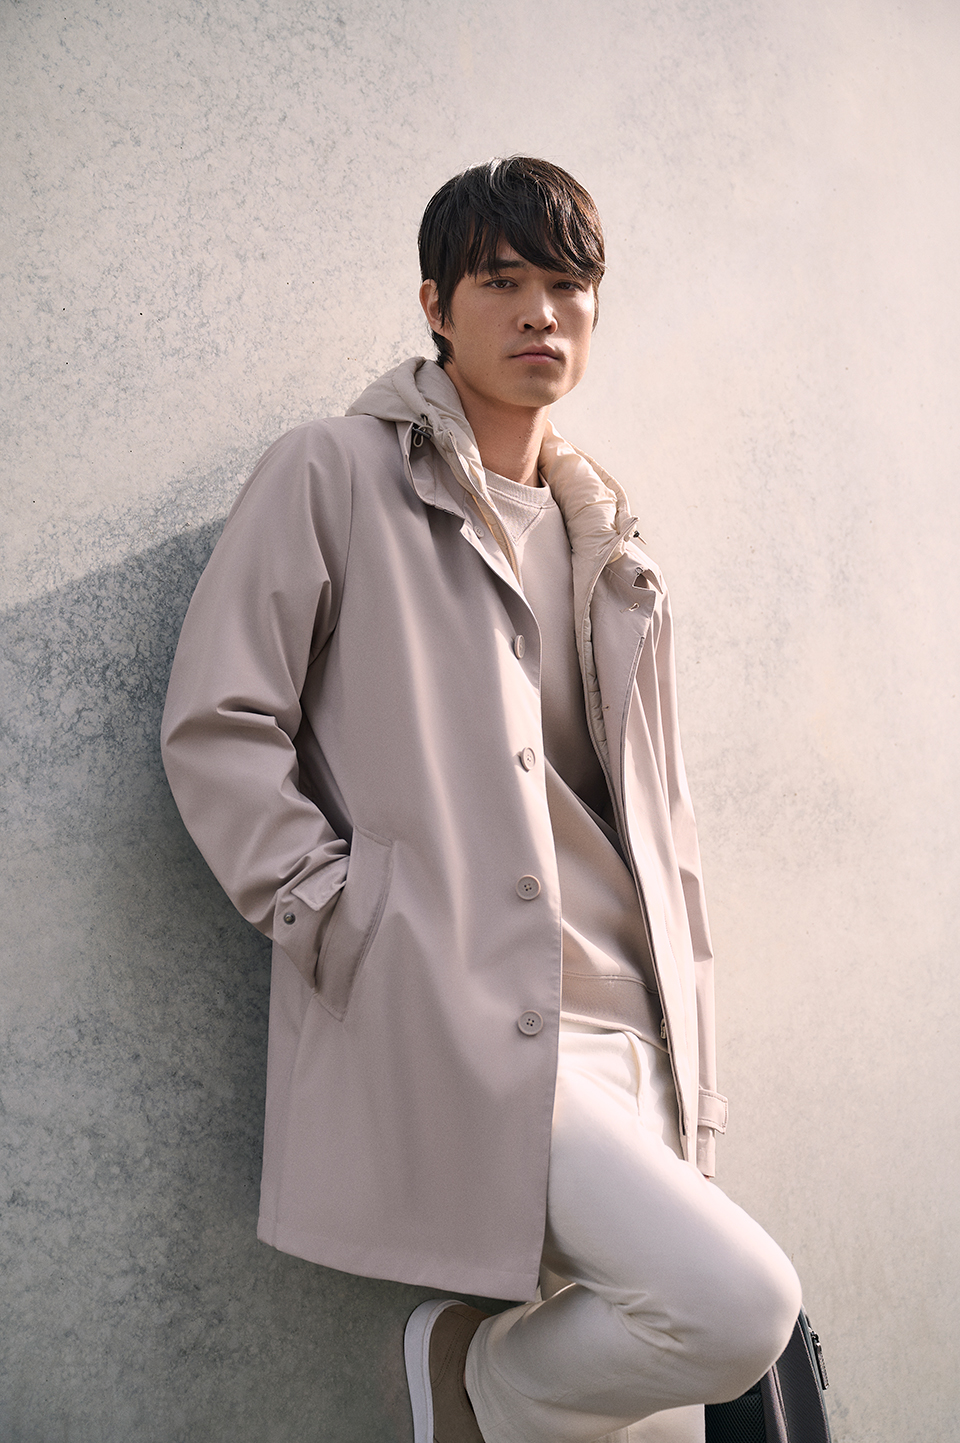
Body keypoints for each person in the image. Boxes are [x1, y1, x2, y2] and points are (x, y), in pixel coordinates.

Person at [161, 157, 801, 1443]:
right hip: (471, 1014)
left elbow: (658, 826)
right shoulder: (335, 473)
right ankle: (484, 1381)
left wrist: (693, 1035)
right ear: (435, 307)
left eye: (567, 285)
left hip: (637, 1036)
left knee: (661, 1382)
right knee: (736, 1309)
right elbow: (219, 724)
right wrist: (342, 918)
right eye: (502, 282)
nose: (539, 313)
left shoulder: (614, 544)